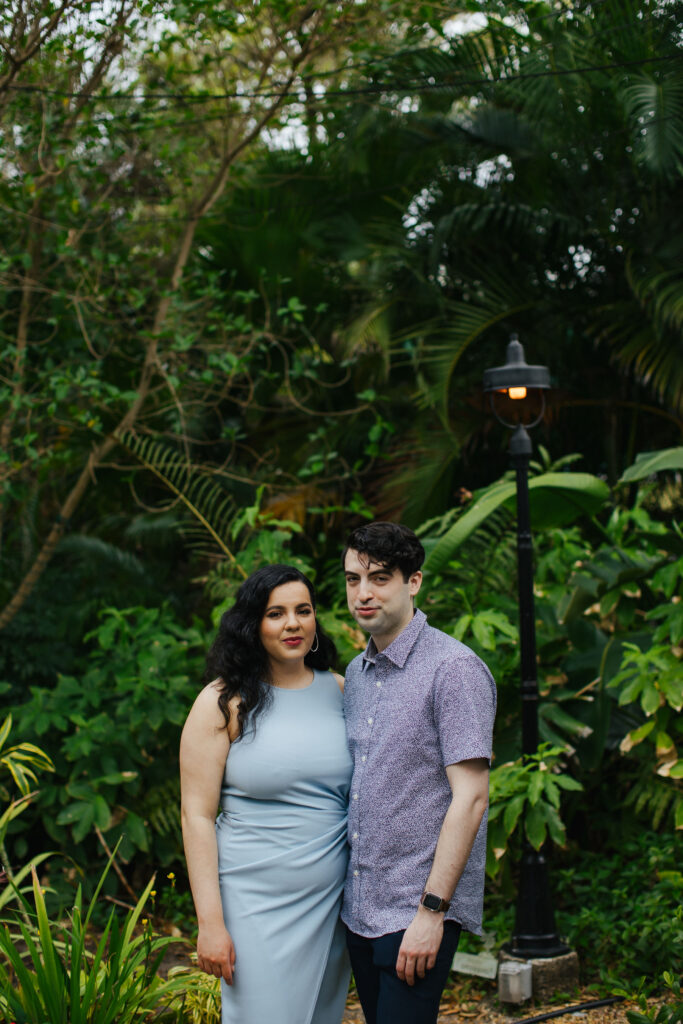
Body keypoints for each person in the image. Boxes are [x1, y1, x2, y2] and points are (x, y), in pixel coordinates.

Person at [180, 564, 352, 1024]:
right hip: (253, 906)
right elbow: (196, 816)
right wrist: (210, 924)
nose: (292, 623)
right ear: (253, 625)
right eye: (276, 613)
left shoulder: (340, 691)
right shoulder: (223, 701)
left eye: (303, 610)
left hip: (331, 906)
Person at [341, 522, 496, 1024]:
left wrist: (432, 913)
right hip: (361, 907)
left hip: (416, 909)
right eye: (352, 580)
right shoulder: (356, 676)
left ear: (414, 582)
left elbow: (471, 796)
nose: (363, 593)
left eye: (380, 577)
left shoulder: (454, 669)